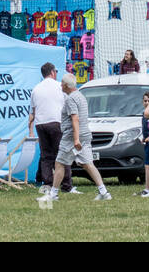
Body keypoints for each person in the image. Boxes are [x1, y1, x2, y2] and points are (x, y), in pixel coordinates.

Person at [45, 73, 111, 201]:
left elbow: (75, 118)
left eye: (62, 83)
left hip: (72, 136)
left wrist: (76, 139)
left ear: (66, 85)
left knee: (60, 163)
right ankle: (104, 192)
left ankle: (53, 194)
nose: (60, 85)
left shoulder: (70, 99)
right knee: (88, 164)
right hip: (85, 134)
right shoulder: (81, 96)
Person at [27, 62, 70, 193]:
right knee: (62, 154)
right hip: (56, 122)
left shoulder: (36, 89)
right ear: (52, 72)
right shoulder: (59, 87)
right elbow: (68, 105)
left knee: (46, 155)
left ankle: (48, 183)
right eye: (56, 71)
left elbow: (32, 113)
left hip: (41, 124)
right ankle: (66, 184)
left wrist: (30, 130)